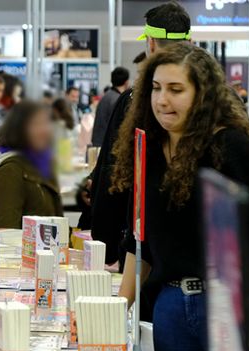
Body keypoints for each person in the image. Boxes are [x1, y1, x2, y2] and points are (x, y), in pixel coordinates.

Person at [113, 43, 249, 351]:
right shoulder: (147, 151)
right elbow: (139, 239)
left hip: (232, 308)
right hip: (169, 308)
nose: (163, 100)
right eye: (157, 88)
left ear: (203, 93)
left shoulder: (233, 148)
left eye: (177, 89)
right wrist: (116, 307)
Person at [86, 1, 191, 267]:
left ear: (151, 44)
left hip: (141, 243)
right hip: (199, 245)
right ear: (189, 41)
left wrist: (105, 240)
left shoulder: (135, 101)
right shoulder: (215, 100)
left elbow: (114, 172)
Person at [0, 100, 62, 229]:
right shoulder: (10, 170)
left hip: (51, 247)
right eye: (36, 124)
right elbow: (6, 230)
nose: (44, 130)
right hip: (26, 248)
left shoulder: (43, 163)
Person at [92, 66, 130, 147]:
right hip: (106, 144)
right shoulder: (117, 99)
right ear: (126, 82)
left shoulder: (107, 96)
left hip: (99, 142)